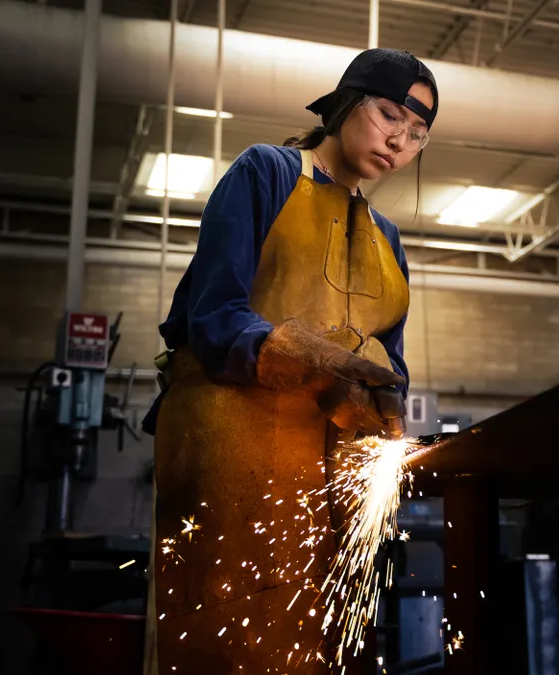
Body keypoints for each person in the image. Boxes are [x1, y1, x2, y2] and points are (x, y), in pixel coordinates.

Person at [139, 48, 439, 674]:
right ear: (346, 105)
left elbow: (392, 365)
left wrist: (384, 413)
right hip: (235, 445)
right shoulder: (267, 172)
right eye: (388, 115)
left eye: (416, 136)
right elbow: (215, 316)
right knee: (233, 637)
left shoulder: (388, 238)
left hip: (331, 470)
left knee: (325, 645)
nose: (399, 141)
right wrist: (311, 356)